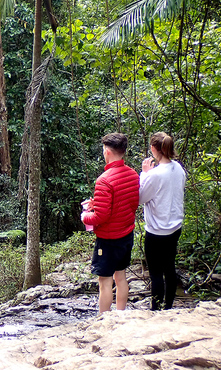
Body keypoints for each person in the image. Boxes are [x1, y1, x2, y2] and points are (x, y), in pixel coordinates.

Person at [81, 132, 140, 313]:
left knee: (105, 281)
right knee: (121, 277)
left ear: (107, 151)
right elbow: (129, 203)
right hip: (126, 235)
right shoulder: (133, 174)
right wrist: (97, 204)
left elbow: (100, 217)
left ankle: (103, 321)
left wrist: (85, 217)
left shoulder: (104, 181)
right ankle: (120, 316)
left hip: (108, 240)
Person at [140, 132, 186, 310]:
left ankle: (155, 310)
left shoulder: (155, 174)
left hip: (156, 231)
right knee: (169, 268)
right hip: (174, 227)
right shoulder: (179, 168)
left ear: (153, 149)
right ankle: (168, 307)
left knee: (156, 273)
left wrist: (144, 174)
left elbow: (141, 198)